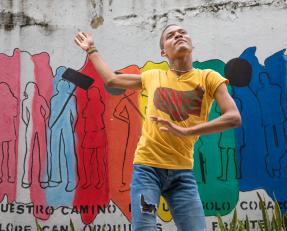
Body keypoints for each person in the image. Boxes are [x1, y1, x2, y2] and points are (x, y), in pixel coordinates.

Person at [74, 24, 241, 231]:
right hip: (147, 169)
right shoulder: (153, 76)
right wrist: (91, 49)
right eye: (170, 36)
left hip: (183, 173)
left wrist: (186, 131)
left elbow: (233, 117)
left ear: (192, 43)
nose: (178, 35)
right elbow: (112, 79)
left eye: (182, 32)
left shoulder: (209, 77)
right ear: (164, 52)